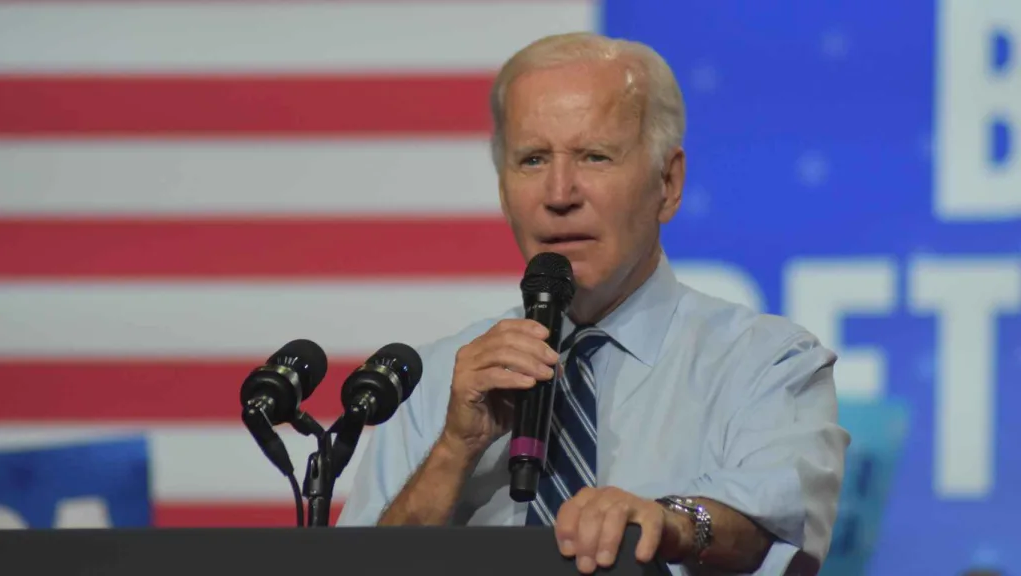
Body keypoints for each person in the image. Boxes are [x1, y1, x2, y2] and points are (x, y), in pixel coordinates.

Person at [337, 32, 850, 575]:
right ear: (503, 190)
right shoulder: (436, 381)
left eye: (594, 157)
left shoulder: (765, 363)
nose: (559, 194)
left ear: (668, 183)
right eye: (533, 160)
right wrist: (453, 452)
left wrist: (669, 523)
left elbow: (771, 531)